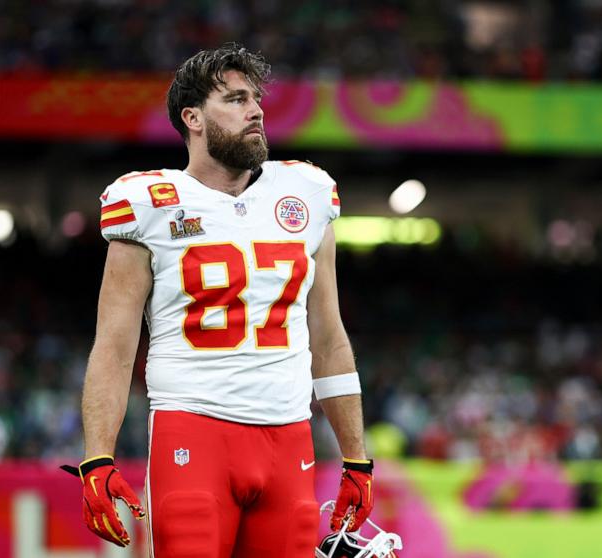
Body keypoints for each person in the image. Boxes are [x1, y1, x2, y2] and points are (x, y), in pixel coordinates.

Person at [66, 43, 375, 557]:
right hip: (193, 431)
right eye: (234, 99)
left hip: (290, 439)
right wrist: (97, 456)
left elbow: (329, 337)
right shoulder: (148, 204)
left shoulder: (307, 193)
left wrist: (356, 458)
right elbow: (115, 349)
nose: (255, 110)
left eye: (255, 98)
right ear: (193, 118)